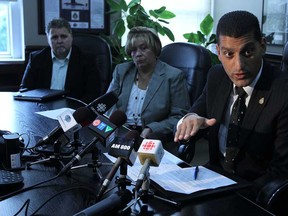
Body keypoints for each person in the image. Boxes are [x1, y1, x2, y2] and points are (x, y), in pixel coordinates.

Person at [174, 10, 288, 201]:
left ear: (262, 46)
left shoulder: (283, 92)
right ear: (218, 52)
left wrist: (232, 197)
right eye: (229, 54)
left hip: (254, 194)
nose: (238, 66)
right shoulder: (216, 76)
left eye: (248, 52)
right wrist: (190, 119)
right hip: (212, 180)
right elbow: (197, 112)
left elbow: (281, 171)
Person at [106, 26, 190, 140]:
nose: (138, 54)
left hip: (151, 136)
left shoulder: (173, 76)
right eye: (133, 50)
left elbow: (180, 117)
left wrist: (152, 128)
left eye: (143, 48)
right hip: (121, 132)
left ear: (155, 49)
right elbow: (108, 104)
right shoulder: (122, 71)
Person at [20, 18, 100, 103]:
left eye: (63, 36)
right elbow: (25, 90)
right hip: (41, 109)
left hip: (73, 111)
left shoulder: (86, 61)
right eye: (54, 37)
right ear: (48, 39)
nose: (59, 41)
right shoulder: (36, 59)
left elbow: (93, 94)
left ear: (71, 37)